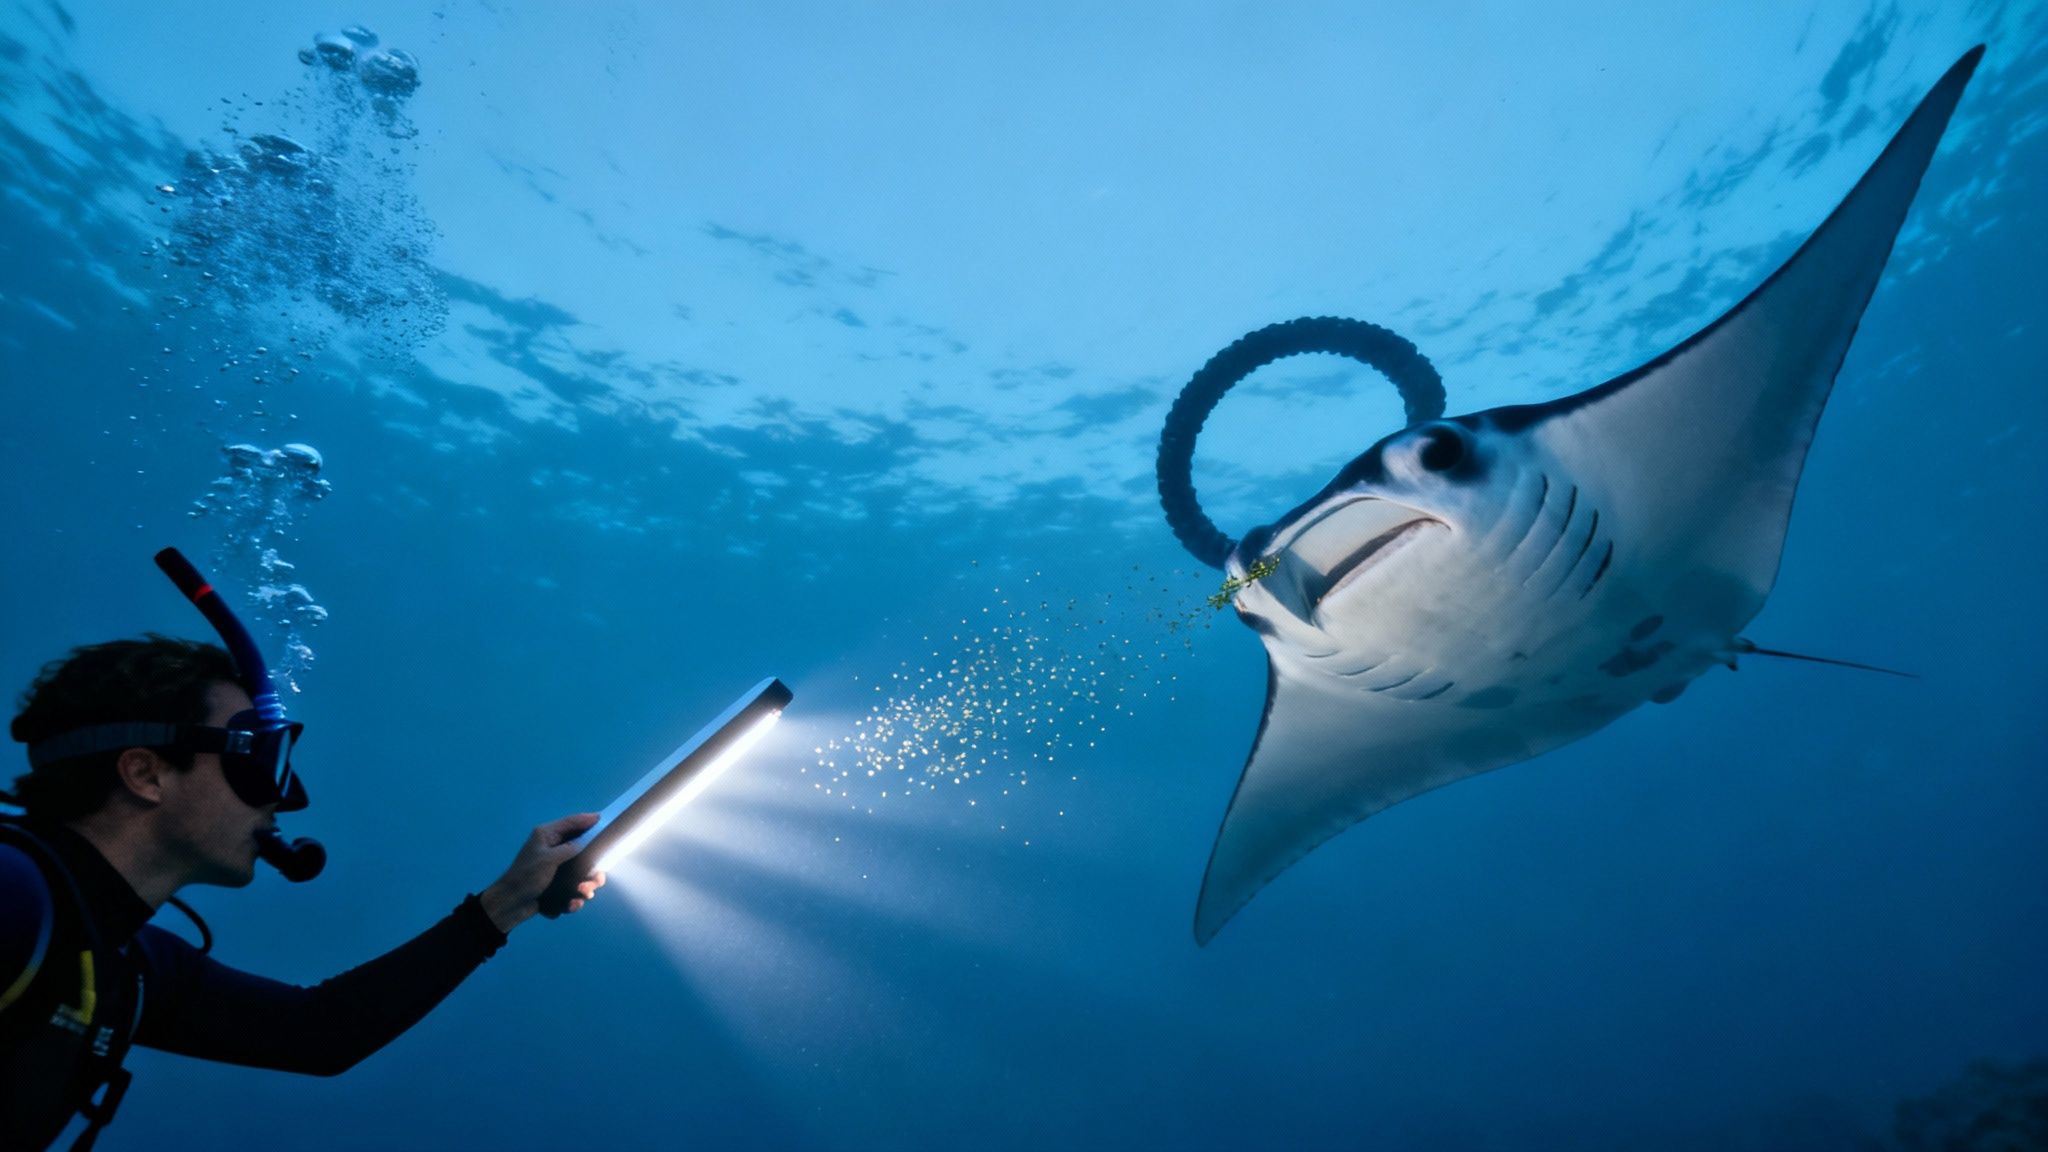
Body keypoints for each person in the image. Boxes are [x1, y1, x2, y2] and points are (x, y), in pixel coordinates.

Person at [0, 634, 606, 1151]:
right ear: (146, 773)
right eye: (257, 757)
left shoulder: (121, 964)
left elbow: (316, 1032)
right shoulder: (15, 894)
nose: (286, 796)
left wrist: (508, 902)